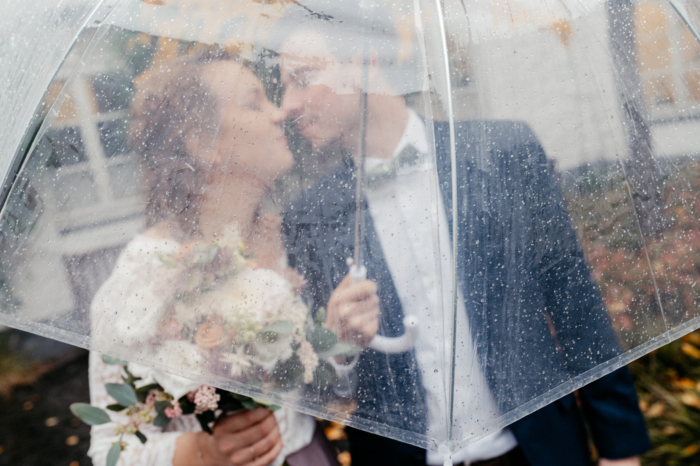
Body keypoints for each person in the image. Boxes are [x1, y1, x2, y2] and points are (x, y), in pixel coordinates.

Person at [278, 3, 651, 466]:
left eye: (302, 77)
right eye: (282, 86)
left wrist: (622, 448)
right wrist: (338, 349)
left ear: (365, 62)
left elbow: (575, 303)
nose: (286, 106)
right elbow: (317, 391)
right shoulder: (307, 216)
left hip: (537, 451)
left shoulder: (504, 154)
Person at [88, 48, 374, 466]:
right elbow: (109, 446)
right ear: (204, 143)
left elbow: (317, 399)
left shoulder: (295, 238)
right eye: (254, 102)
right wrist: (200, 451)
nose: (279, 113)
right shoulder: (146, 274)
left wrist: (337, 344)